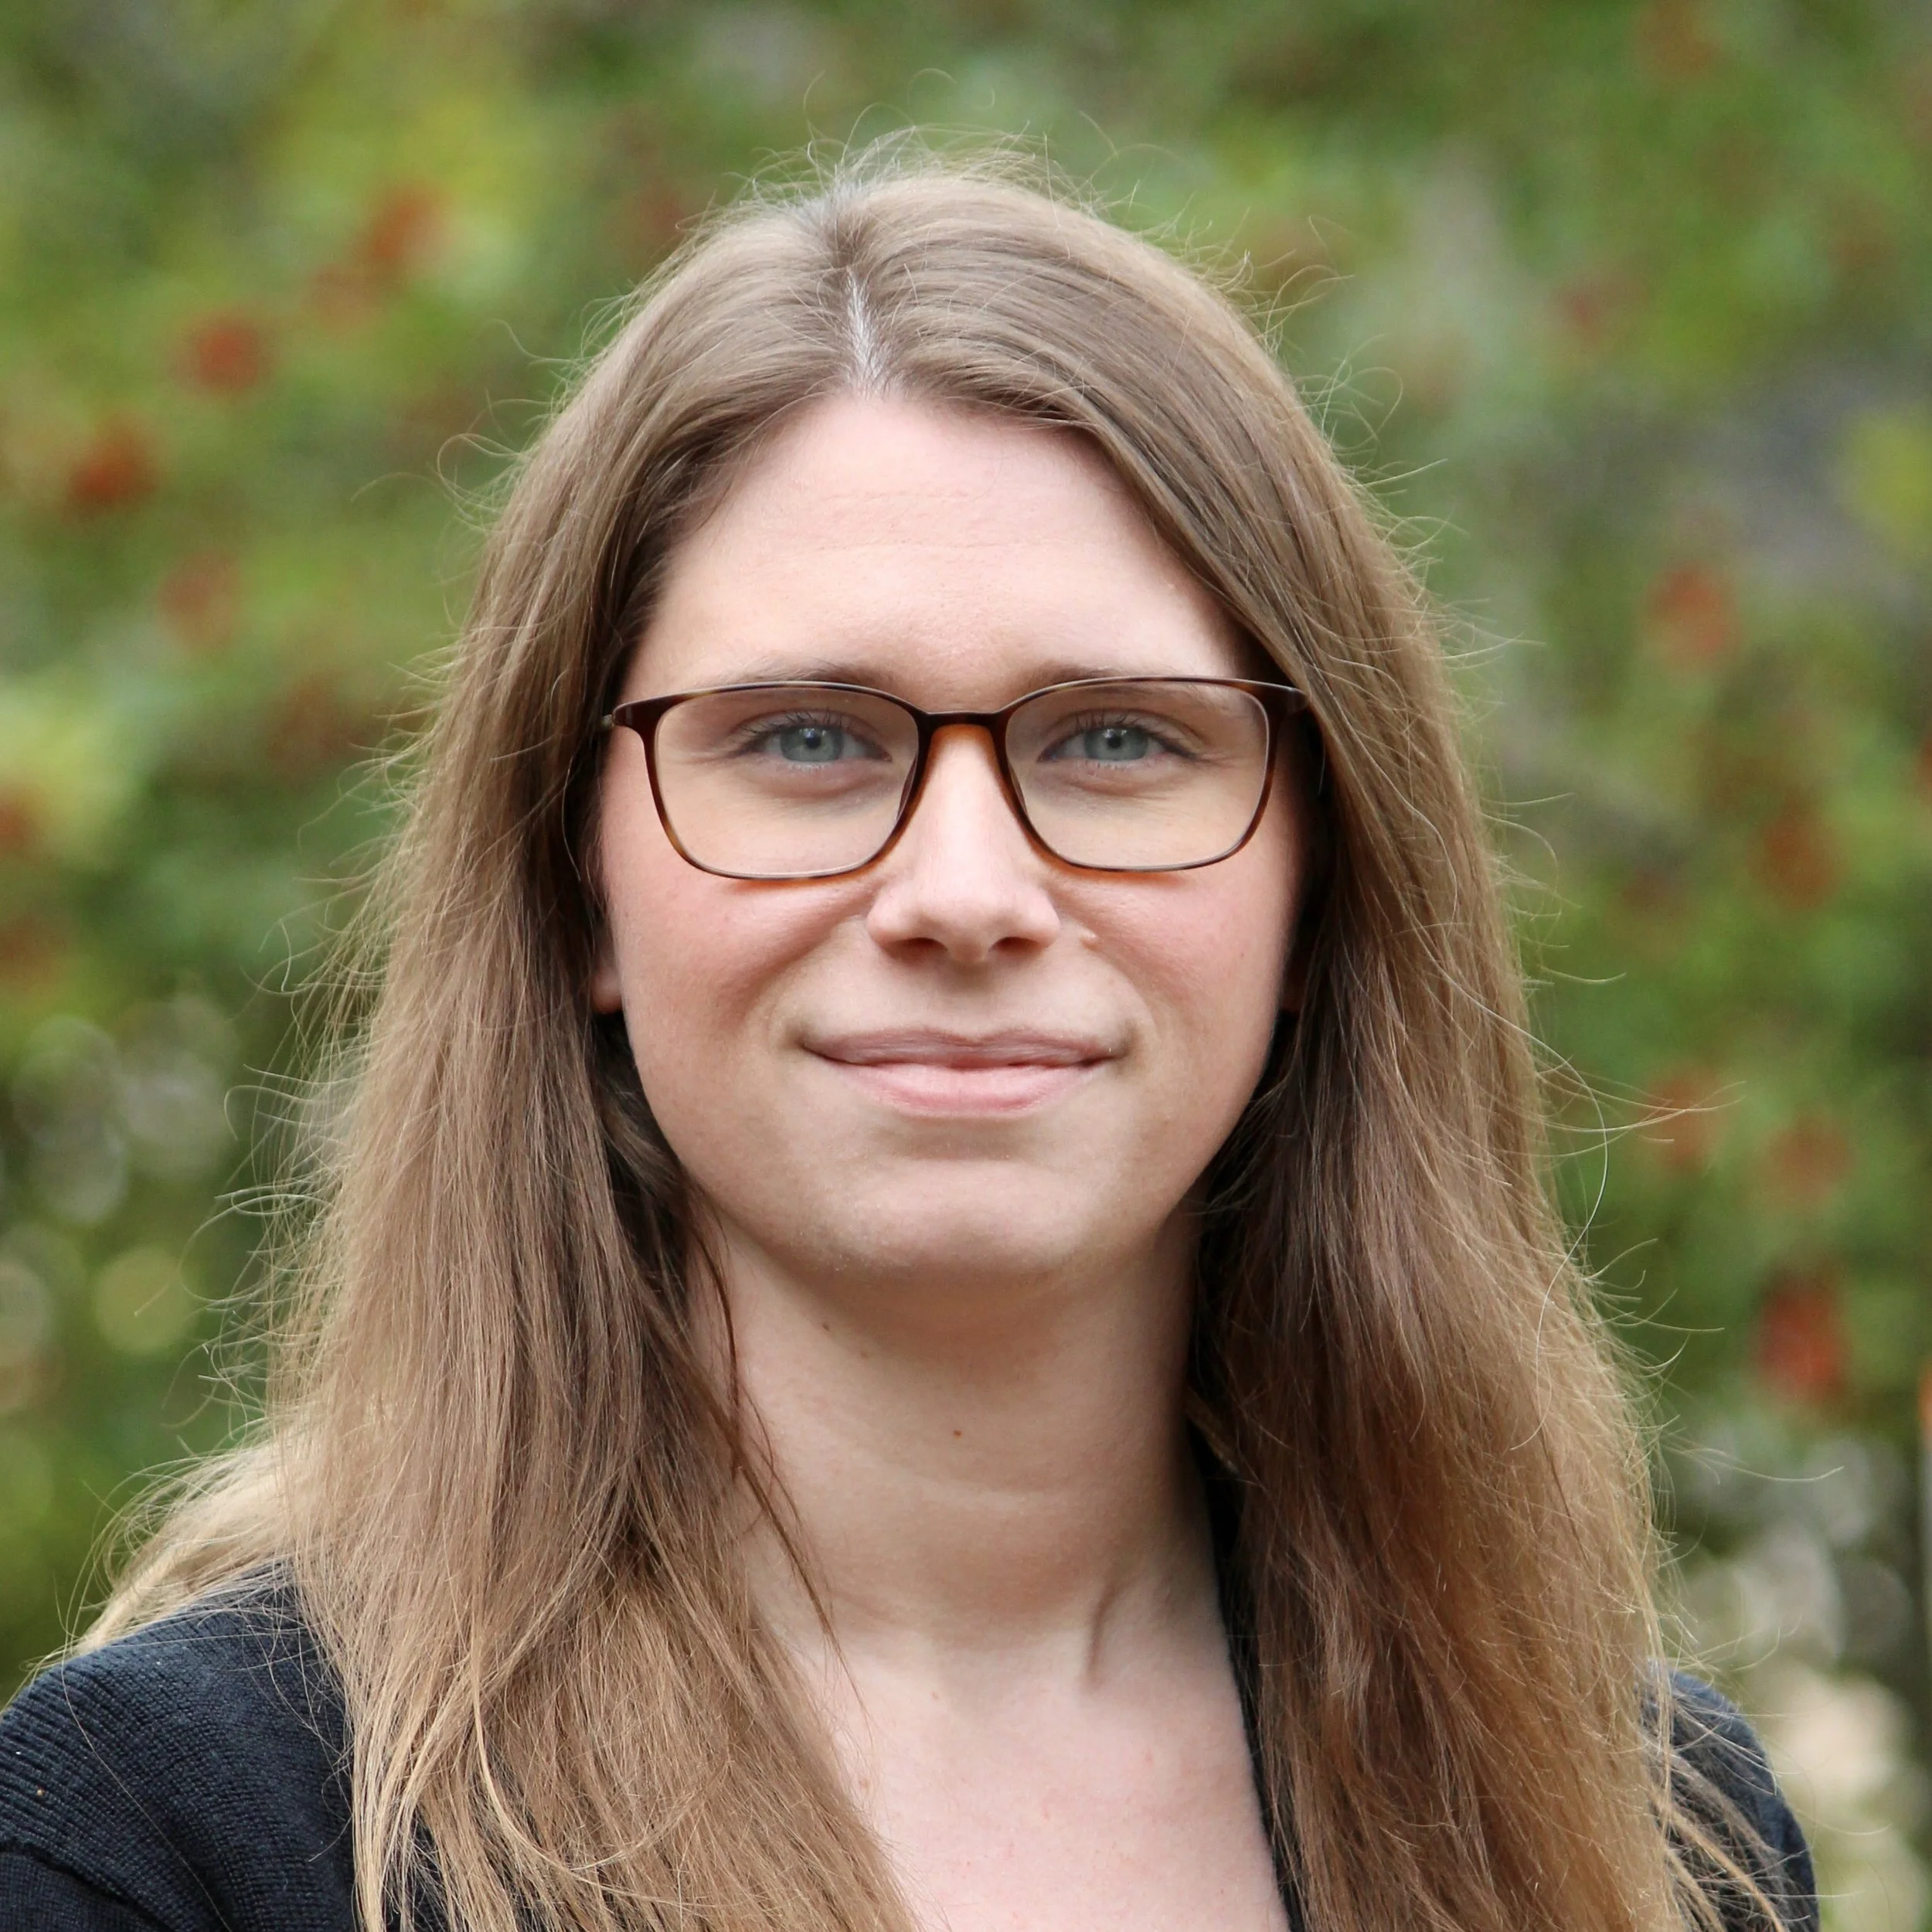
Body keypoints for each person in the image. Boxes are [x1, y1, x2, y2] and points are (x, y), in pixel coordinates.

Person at [0, 154, 1816, 1932]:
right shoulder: (173, 1839)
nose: (965, 888)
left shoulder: (1643, 1826)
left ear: (1315, 883)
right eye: (805, 738)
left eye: (1115, 739)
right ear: (573, 885)